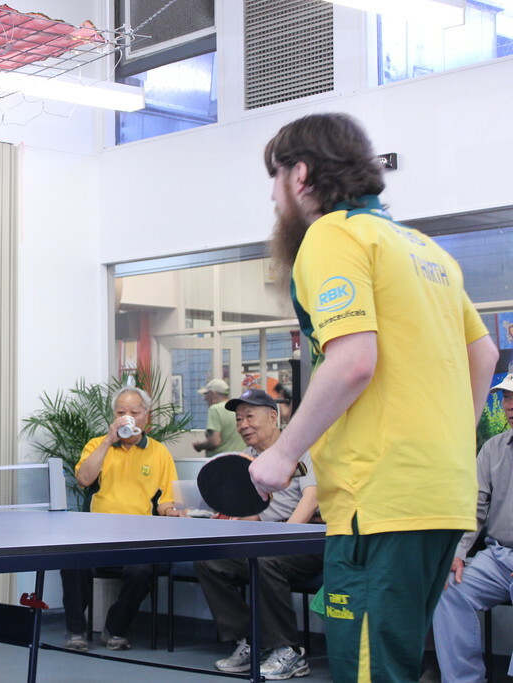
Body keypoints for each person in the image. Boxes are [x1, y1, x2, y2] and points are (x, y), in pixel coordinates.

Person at [248, 113, 499, 682]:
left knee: (369, 671)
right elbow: (482, 357)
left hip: (379, 499)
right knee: (395, 663)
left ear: (301, 175)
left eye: (275, 177)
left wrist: (283, 453)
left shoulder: (333, 235)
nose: (272, 193)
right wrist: (443, 443)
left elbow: (355, 359)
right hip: (442, 491)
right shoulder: (425, 249)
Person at [193, 389, 322, 680]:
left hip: (305, 537)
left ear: (273, 416)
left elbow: (311, 498)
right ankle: (251, 640)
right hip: (266, 537)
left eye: (250, 416)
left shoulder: (300, 448)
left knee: (265, 558)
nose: (243, 425)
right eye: (239, 419)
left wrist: (282, 538)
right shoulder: (245, 459)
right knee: (210, 561)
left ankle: (291, 651)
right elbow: (251, 512)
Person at [60, 386, 179, 652]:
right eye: (120, 412)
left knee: (142, 571)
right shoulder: (96, 445)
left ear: (146, 417)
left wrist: (173, 512)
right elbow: (83, 479)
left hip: (137, 537)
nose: (128, 417)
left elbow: (166, 502)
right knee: (71, 562)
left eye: (134, 412)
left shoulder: (159, 452)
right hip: (96, 534)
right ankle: (75, 631)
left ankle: (115, 628)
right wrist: (107, 441)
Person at [432, 372, 513, 682]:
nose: (509, 405)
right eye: (506, 397)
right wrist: (458, 552)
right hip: (497, 556)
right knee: (449, 587)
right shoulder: (493, 448)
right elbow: (473, 509)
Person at [193, 378, 247, 456]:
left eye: (206, 394)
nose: (205, 399)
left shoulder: (215, 409)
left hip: (220, 461)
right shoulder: (236, 409)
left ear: (213, 394)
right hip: (240, 458)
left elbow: (214, 441)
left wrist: (199, 446)